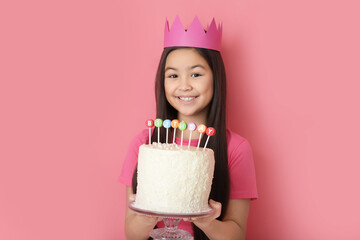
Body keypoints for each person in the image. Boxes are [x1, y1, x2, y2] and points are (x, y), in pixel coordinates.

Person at [119, 16, 258, 240]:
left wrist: (208, 222)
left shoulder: (236, 148)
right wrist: (147, 213)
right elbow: (132, 235)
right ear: (162, 82)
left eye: (196, 74)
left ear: (215, 78)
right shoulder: (144, 143)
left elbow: (237, 235)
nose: (184, 85)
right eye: (173, 75)